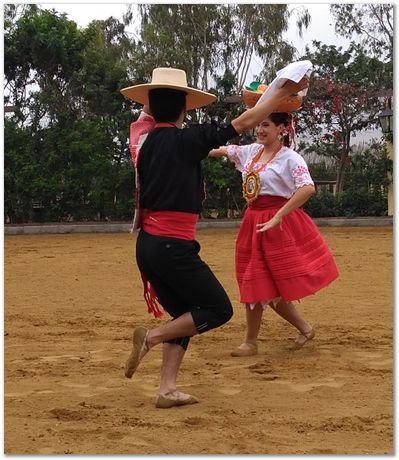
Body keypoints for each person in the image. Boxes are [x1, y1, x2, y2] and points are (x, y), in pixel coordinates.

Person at [120, 67, 309, 408]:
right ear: (184, 108)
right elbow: (247, 119)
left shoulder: (144, 142)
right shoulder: (188, 140)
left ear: (150, 107)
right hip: (172, 245)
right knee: (217, 309)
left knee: (183, 316)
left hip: (147, 246)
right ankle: (150, 338)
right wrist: (283, 92)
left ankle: (166, 389)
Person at [209, 110, 339, 357]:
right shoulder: (249, 151)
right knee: (260, 282)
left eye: (266, 125)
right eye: (258, 125)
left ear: (282, 128)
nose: (259, 130)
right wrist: (186, 145)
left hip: (277, 223)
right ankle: (300, 329)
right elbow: (220, 150)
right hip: (254, 221)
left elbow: (307, 188)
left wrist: (279, 215)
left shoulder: (291, 158)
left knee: (261, 281)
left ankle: (251, 341)